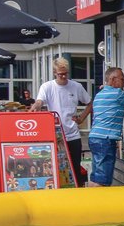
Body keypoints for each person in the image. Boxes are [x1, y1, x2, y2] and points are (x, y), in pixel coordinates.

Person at [31, 58, 91, 186]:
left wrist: (81, 118)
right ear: (54, 73)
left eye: (65, 73)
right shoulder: (47, 86)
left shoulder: (76, 86)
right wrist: (37, 105)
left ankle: (76, 191)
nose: (63, 76)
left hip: (73, 134)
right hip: (56, 135)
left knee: (75, 166)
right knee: (55, 166)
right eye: (60, 74)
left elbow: (90, 103)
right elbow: (40, 100)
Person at [77, 67, 124, 187]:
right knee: (103, 177)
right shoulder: (118, 94)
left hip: (94, 137)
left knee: (97, 173)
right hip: (105, 139)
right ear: (113, 79)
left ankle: (93, 200)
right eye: (123, 79)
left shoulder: (99, 95)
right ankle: (100, 203)